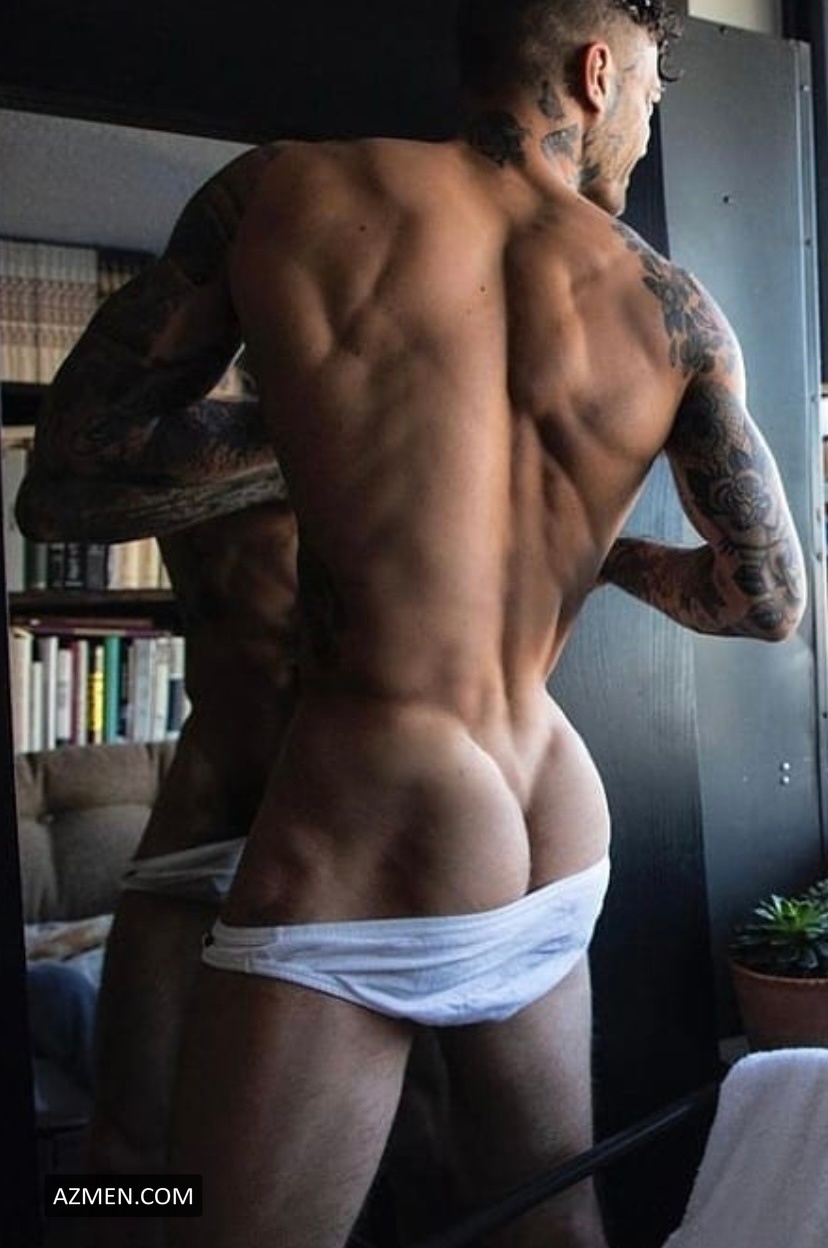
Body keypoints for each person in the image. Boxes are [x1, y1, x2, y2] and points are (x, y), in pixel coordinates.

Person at [16, 2, 807, 1245]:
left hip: (373, 809)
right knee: (548, 1216)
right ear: (598, 72)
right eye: (653, 98)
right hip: (550, 809)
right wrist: (601, 559)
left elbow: (74, 462)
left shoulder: (284, 195)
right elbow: (768, 601)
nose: (647, 132)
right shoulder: (673, 306)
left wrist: (334, 426)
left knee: (199, 1216)